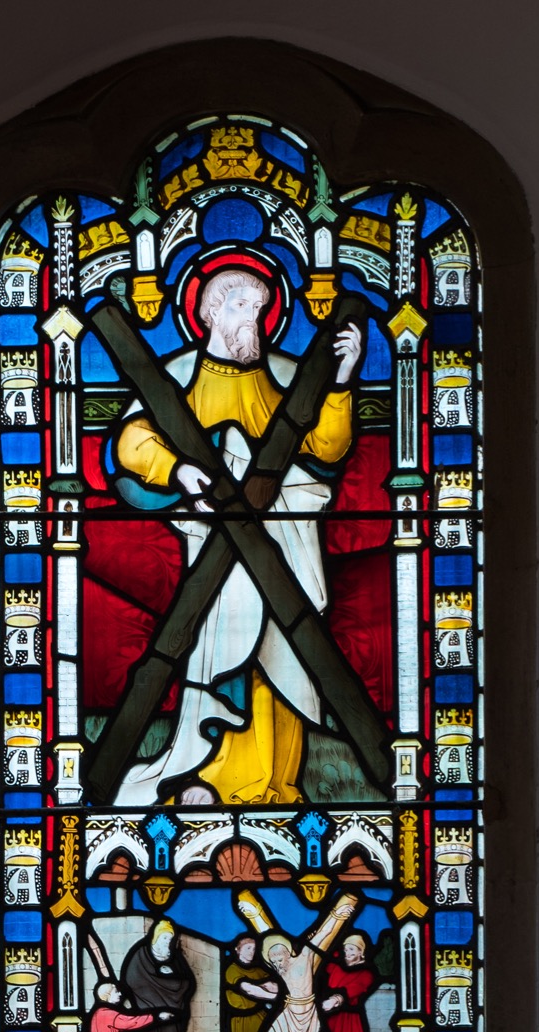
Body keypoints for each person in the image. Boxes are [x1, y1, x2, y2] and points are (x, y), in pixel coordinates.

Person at [113, 268, 363, 806]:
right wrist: (180, 472)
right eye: (238, 306)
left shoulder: (286, 377)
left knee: (285, 657)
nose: (252, 319)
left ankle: (278, 785)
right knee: (222, 648)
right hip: (217, 547)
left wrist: (340, 382)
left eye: (259, 308)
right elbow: (133, 443)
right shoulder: (178, 376)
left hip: (285, 542)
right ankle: (212, 774)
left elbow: (327, 447)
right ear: (205, 312)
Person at [239, 892, 361, 1032]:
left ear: (288, 951)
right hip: (289, 1011)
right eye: (273, 959)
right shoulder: (280, 969)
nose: (277, 961)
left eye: (279, 956)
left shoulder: (305, 957)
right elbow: (268, 934)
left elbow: (323, 936)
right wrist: (252, 913)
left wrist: (338, 915)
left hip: (308, 1012)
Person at [120, 919, 196, 1032]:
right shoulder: (140, 956)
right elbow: (134, 983)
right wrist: (161, 983)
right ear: (155, 938)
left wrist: (170, 976)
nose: (167, 943)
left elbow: (187, 983)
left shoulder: (176, 958)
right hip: (150, 1017)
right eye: (164, 938)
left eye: (170, 939)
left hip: (173, 1017)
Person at [224, 935, 275, 1032]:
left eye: (254, 948)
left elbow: (271, 984)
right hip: (241, 1016)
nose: (252, 951)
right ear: (238, 949)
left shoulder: (258, 969)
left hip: (259, 1012)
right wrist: (274, 996)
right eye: (248, 948)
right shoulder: (232, 969)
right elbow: (249, 989)